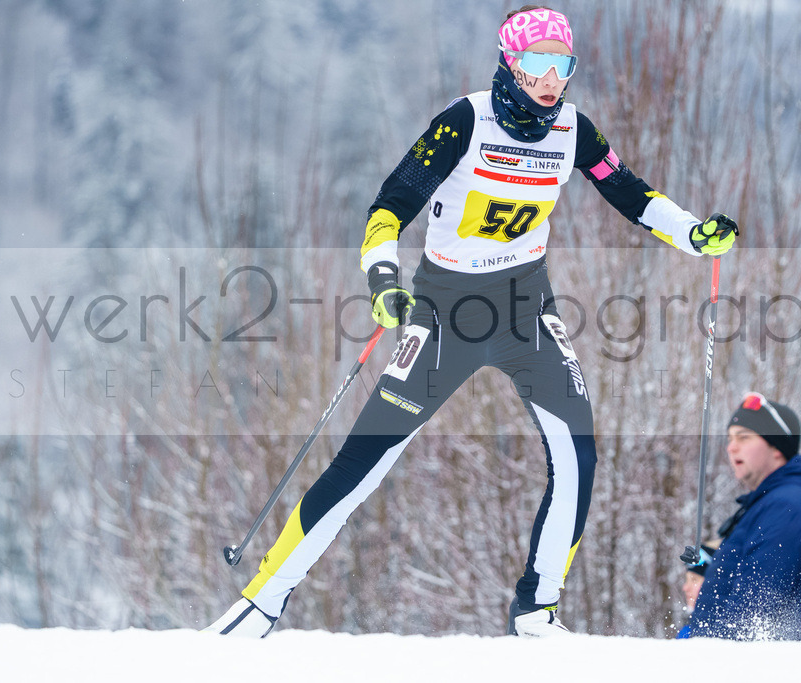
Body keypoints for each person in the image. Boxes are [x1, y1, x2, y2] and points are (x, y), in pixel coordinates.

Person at [206, 5, 737, 638]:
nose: (551, 78)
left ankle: (537, 608)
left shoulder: (573, 130)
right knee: (365, 461)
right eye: (537, 62)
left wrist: (693, 234)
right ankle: (263, 602)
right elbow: (389, 205)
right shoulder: (466, 120)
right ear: (512, 62)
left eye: (562, 64)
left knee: (578, 453)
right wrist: (382, 280)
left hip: (527, 311)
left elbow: (630, 193)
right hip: (446, 313)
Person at [687, 393, 801, 640]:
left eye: (743, 437)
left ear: (777, 448)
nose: (731, 447)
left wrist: (713, 657)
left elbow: (754, 608)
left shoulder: (788, 506)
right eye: (730, 438)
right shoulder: (770, 504)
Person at [676, 541, 718, 639]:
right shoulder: (687, 632)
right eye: (687, 580)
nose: (685, 588)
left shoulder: (730, 629)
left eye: (694, 580)